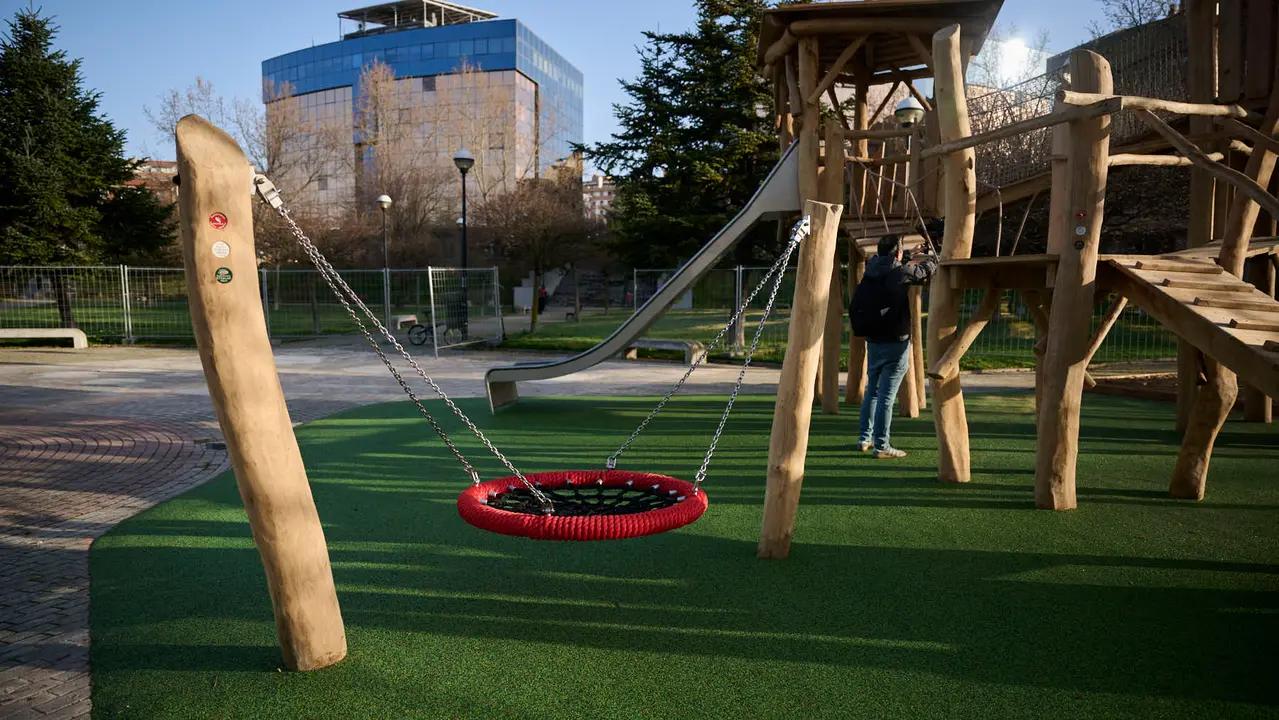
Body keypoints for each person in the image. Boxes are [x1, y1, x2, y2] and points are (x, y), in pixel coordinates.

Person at [849, 234, 939, 459]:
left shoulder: (870, 270)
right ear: (897, 253)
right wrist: (936, 254)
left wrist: (910, 254)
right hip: (895, 342)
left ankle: (864, 438)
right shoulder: (901, 272)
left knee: (873, 392)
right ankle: (882, 446)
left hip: (873, 339)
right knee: (887, 397)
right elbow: (925, 269)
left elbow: (891, 264)